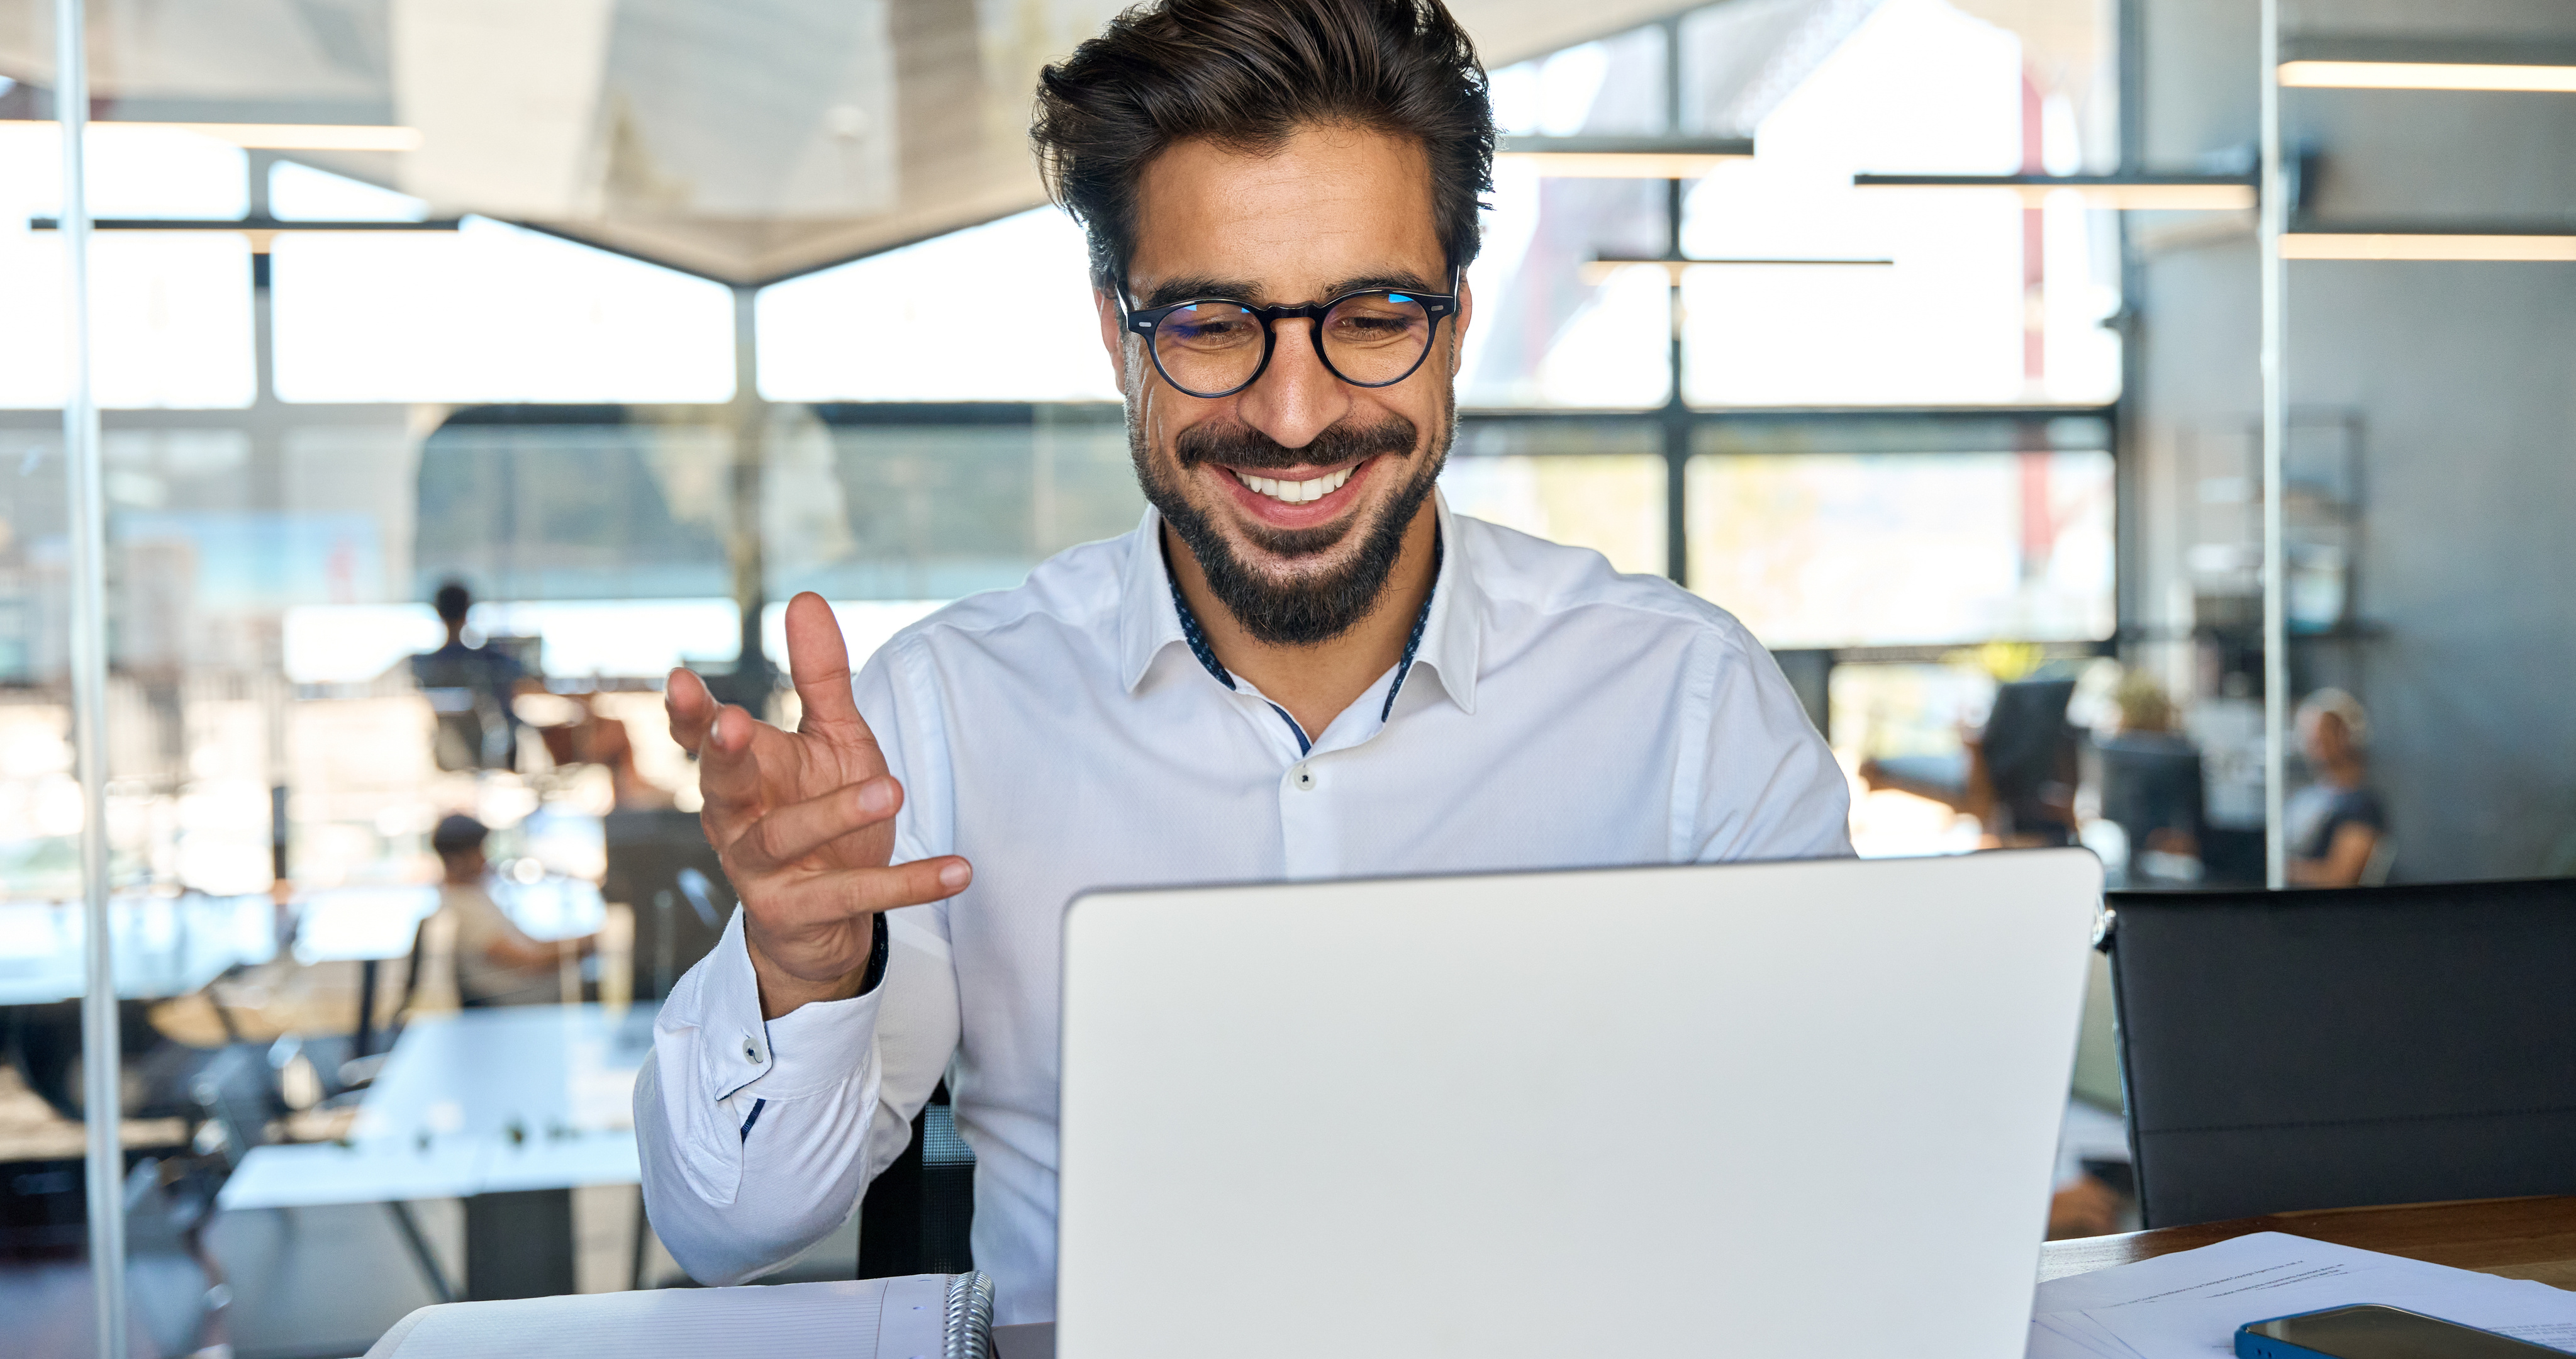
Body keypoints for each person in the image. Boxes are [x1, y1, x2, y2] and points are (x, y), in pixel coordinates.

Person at [635, 0, 1851, 1323]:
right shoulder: (944, 713)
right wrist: (801, 976)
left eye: (1373, 313)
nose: (1293, 413)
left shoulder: (1686, 706)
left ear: (1450, 323)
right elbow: (728, 1228)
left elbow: (1857, 1161)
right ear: (1118, 335)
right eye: (1213, 323)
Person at [430, 814, 594, 1007]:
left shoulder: (474, 896)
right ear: (456, 859)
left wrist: (583, 942)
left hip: (526, 991)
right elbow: (530, 962)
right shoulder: (461, 908)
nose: (485, 859)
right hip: (512, 1001)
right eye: (478, 852)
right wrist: (585, 946)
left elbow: (533, 945)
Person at [410, 580, 530, 771]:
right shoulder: (486, 660)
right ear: (468, 612)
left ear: (438, 612)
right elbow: (516, 696)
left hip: (439, 759)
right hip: (485, 759)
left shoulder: (420, 664)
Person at [2283, 688, 2387, 886]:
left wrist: (2278, 868)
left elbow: (2340, 877)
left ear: (2346, 734)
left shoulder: (2361, 805)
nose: (2314, 739)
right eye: (2309, 733)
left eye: (2325, 731)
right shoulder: (2305, 798)